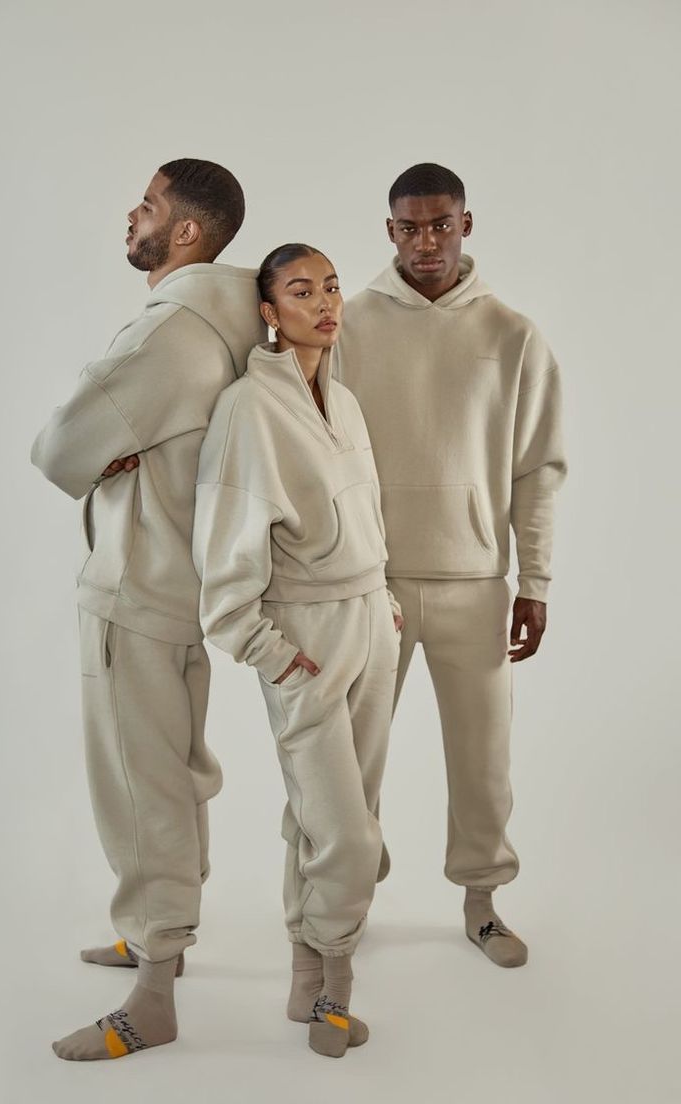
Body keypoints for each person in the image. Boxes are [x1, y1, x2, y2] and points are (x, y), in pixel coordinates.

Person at [31, 158, 266, 1060]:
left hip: (135, 587)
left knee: (140, 786)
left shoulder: (170, 333)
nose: (131, 214)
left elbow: (60, 448)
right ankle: (161, 938)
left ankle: (154, 994)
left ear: (188, 234)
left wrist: (106, 448)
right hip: (189, 584)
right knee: (173, 771)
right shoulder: (244, 319)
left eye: (150, 205)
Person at [337, 162, 567, 968]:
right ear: (389, 230)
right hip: (370, 584)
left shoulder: (512, 334)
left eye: (440, 224)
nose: (425, 241)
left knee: (483, 757)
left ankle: (482, 902)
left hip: (476, 583)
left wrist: (534, 582)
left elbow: (538, 467)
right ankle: (343, 900)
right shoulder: (347, 325)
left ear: (467, 225)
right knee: (350, 758)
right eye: (409, 226)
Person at [192, 244, 403, 1058]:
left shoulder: (343, 402)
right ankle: (336, 990)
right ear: (269, 314)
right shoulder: (249, 409)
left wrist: (382, 601)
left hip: (370, 627)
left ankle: (303, 974)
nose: (325, 302)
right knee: (345, 834)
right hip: (305, 633)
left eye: (333, 286)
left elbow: (369, 514)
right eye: (301, 290)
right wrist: (266, 648)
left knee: (335, 817)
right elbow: (224, 551)